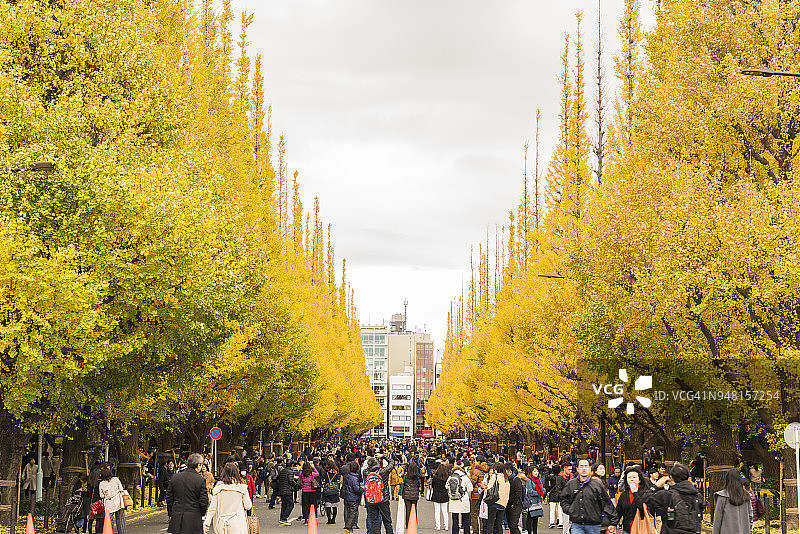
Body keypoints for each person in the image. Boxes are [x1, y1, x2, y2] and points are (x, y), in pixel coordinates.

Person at [640, 463, 704, 534]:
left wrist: (656, 486)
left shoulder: (667, 495)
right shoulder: (697, 496)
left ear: (671, 478)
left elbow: (646, 498)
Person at [560, 459, 618, 534]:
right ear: (577, 469)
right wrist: (569, 510)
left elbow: (606, 502)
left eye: (586, 466)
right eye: (581, 466)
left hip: (594, 525)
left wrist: (613, 521)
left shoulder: (597, 484)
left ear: (590, 468)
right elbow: (563, 498)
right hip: (577, 524)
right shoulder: (571, 484)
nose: (584, 468)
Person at [166, 453, 209, 534]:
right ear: (199, 465)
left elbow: (169, 497)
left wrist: (172, 511)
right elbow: (203, 500)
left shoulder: (175, 477)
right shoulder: (199, 480)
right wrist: (202, 513)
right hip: (193, 517)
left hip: (177, 517)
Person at [203, 462, 252, 534]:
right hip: (238, 524)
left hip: (222, 524)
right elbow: (248, 506)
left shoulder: (218, 489)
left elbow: (212, 509)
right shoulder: (242, 488)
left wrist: (206, 524)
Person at [711, 468, 753, 534]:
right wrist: (748, 529)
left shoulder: (722, 497)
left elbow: (717, 520)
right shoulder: (746, 497)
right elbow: (750, 516)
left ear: (727, 480)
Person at [365, 453, 395, 534]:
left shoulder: (366, 473)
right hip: (383, 499)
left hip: (371, 500)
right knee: (387, 522)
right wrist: (383, 456)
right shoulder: (383, 472)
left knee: (374, 522)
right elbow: (392, 462)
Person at [615, 467, 646, 534]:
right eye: (629, 477)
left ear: (639, 480)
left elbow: (643, 509)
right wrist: (613, 524)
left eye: (634, 477)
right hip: (627, 529)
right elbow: (618, 512)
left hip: (641, 529)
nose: (632, 479)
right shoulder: (624, 495)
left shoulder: (645, 493)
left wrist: (635, 493)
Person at [98, 467, 127, 534]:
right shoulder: (116, 479)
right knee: (120, 520)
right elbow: (121, 489)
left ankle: (110, 532)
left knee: (109, 521)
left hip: (108, 503)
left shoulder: (101, 483)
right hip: (118, 501)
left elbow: (101, 495)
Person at [448, 463, 473, 534]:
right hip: (463, 499)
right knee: (466, 520)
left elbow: (446, 486)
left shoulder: (450, 477)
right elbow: (470, 488)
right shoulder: (465, 477)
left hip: (453, 500)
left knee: (455, 520)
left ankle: (455, 532)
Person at [485, 463, 510, 534]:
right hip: (503, 504)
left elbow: (489, 488)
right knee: (499, 524)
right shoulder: (506, 479)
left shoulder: (495, 476)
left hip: (494, 502)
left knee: (490, 523)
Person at [342, 460, 364, 534]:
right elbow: (356, 489)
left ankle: (349, 530)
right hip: (353, 498)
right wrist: (362, 490)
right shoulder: (355, 478)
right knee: (353, 514)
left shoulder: (349, 476)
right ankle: (349, 529)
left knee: (349, 513)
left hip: (348, 496)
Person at [469, 456, 489, 534]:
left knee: (474, 513)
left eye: (476, 461)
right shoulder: (487, 469)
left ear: (479, 462)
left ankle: (475, 530)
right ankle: (482, 530)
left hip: (476, 494)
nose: (475, 463)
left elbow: (472, 482)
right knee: (482, 513)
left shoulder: (476, 471)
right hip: (484, 494)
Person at [401, 461, 424, 529]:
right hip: (414, 495)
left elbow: (404, 484)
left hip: (407, 494)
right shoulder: (417, 476)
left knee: (408, 510)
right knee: (414, 510)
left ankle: (408, 524)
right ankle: (414, 523)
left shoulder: (406, 475)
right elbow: (420, 486)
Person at [523, 466, 544, 534]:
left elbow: (543, 491)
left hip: (538, 503)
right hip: (531, 503)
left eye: (537, 471)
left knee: (536, 519)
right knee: (530, 519)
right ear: (531, 472)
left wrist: (540, 493)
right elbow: (530, 491)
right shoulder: (529, 481)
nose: (536, 473)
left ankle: (535, 532)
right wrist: (539, 493)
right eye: (534, 471)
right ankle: (529, 532)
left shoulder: (539, 480)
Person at [277, 460, 298, 525]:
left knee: (284, 505)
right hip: (288, 490)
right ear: (292, 465)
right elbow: (291, 481)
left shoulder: (282, 471)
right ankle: (284, 518)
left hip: (282, 490)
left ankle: (282, 518)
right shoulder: (290, 472)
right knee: (290, 504)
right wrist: (295, 482)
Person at [431, 462, 450, 530]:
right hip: (444, 495)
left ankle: (438, 526)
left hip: (436, 495)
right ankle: (446, 526)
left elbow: (432, 486)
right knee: (445, 512)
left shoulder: (435, 478)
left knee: (437, 511)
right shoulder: (447, 478)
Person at [321, 460, 341, 524]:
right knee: (335, 506)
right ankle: (333, 519)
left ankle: (329, 519)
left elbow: (323, 480)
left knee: (328, 506)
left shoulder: (326, 474)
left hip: (328, 491)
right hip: (335, 491)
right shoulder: (336, 473)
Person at [505, 463, 523, 534]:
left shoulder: (516, 479)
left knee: (513, 526)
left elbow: (518, 493)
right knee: (510, 525)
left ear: (510, 472)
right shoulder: (506, 480)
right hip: (508, 505)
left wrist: (513, 503)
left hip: (516, 506)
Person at [86, 469, 104, 534]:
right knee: (99, 520)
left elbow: (88, 493)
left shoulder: (90, 483)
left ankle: (90, 532)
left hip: (92, 504)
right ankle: (98, 532)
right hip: (99, 504)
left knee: (90, 521)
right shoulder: (101, 483)